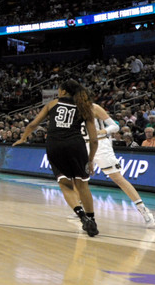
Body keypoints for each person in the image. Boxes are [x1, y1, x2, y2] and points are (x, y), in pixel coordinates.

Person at [13, 79, 99, 236]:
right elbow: (94, 140)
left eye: (59, 89)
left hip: (55, 145)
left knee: (65, 185)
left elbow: (33, 125)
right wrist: (91, 159)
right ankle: (92, 219)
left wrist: (23, 138)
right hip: (76, 146)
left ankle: (82, 217)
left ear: (64, 92)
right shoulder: (84, 108)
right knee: (82, 185)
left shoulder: (52, 104)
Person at [66, 103, 155, 226]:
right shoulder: (70, 110)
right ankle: (81, 209)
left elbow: (115, 126)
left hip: (100, 145)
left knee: (117, 178)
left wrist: (102, 131)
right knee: (76, 179)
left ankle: (144, 211)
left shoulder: (94, 107)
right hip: (82, 146)